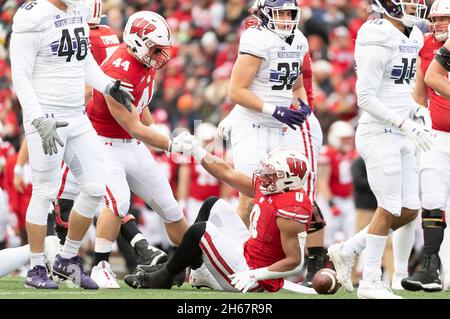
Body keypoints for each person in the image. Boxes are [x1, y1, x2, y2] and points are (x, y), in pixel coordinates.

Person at [9, 0, 134, 289]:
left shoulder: (77, 10)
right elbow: (21, 77)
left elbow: (85, 60)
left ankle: (66, 259)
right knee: (45, 191)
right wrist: (38, 119)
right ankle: (36, 267)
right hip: (47, 116)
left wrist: (107, 86)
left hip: (76, 115)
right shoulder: (32, 16)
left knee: (94, 186)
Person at [327, 0, 433, 299]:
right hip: (378, 132)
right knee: (388, 207)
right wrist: (406, 123)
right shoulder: (377, 34)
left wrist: (416, 111)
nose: (415, 5)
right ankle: (371, 280)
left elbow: (398, 89)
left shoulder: (413, 35)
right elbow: (366, 97)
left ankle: (348, 250)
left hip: (399, 130)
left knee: (410, 210)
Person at [219, 0, 326, 287]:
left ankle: (275, 266)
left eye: (291, 14)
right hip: (253, 124)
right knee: (251, 194)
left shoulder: (299, 40)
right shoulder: (256, 38)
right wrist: (273, 109)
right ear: (267, 15)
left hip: (282, 127)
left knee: (291, 191)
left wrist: (302, 105)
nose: (287, 19)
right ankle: (233, 262)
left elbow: (296, 85)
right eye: (281, 14)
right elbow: (236, 91)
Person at [124, 140, 315, 294]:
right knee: (213, 204)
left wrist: (255, 275)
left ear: (288, 180)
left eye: (271, 174)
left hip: (252, 279)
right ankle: (189, 270)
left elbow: (295, 261)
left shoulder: (292, 208)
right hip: (248, 253)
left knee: (201, 230)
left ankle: (164, 276)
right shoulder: (275, 187)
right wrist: (199, 152)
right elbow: (227, 173)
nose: (264, 176)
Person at [86, 11, 190, 288]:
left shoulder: (145, 63)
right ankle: (100, 266)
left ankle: (197, 264)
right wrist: (169, 143)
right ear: (137, 42)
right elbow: (132, 125)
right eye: (155, 48)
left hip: (130, 144)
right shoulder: (118, 71)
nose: (160, 55)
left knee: (170, 207)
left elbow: (141, 109)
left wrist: (159, 133)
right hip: (103, 144)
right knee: (118, 202)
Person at [401, 0, 450, 292]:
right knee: (431, 197)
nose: (439, 24)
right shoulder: (428, 45)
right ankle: (429, 267)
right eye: (436, 19)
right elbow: (423, 88)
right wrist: (415, 126)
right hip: (437, 134)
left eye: (445, 19)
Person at [316, 120, 356, 246]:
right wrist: (331, 204)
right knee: (329, 232)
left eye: (349, 139)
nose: (348, 142)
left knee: (351, 234)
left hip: (347, 200)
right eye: (344, 139)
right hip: (330, 199)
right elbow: (322, 182)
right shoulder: (327, 153)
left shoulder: (350, 154)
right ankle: (325, 262)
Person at [424, 25, 450, 98]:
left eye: (442, 19)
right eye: (435, 20)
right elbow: (432, 77)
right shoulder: (426, 42)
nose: (437, 24)